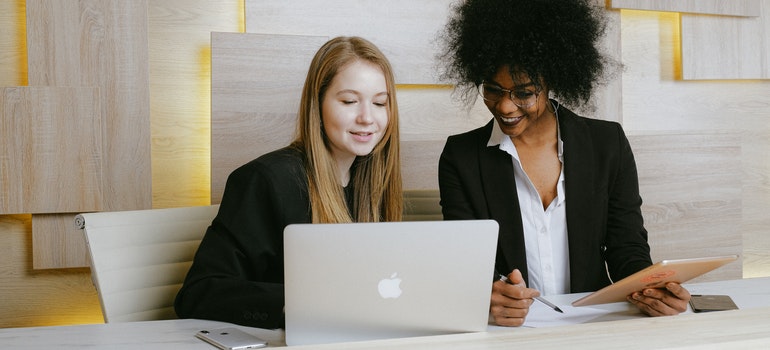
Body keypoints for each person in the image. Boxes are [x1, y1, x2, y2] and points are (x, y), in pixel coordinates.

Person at [436, 0, 691, 327]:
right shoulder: (461, 156)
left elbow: (627, 249)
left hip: (595, 325)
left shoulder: (606, 144)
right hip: (512, 332)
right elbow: (465, 261)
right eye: (492, 90)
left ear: (553, 79)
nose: (504, 105)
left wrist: (653, 290)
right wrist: (487, 296)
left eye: (524, 93)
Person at [174, 36, 402, 329]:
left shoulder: (373, 179)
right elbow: (198, 294)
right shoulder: (265, 180)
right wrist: (300, 303)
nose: (367, 118)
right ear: (317, 104)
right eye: (349, 101)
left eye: (380, 103)